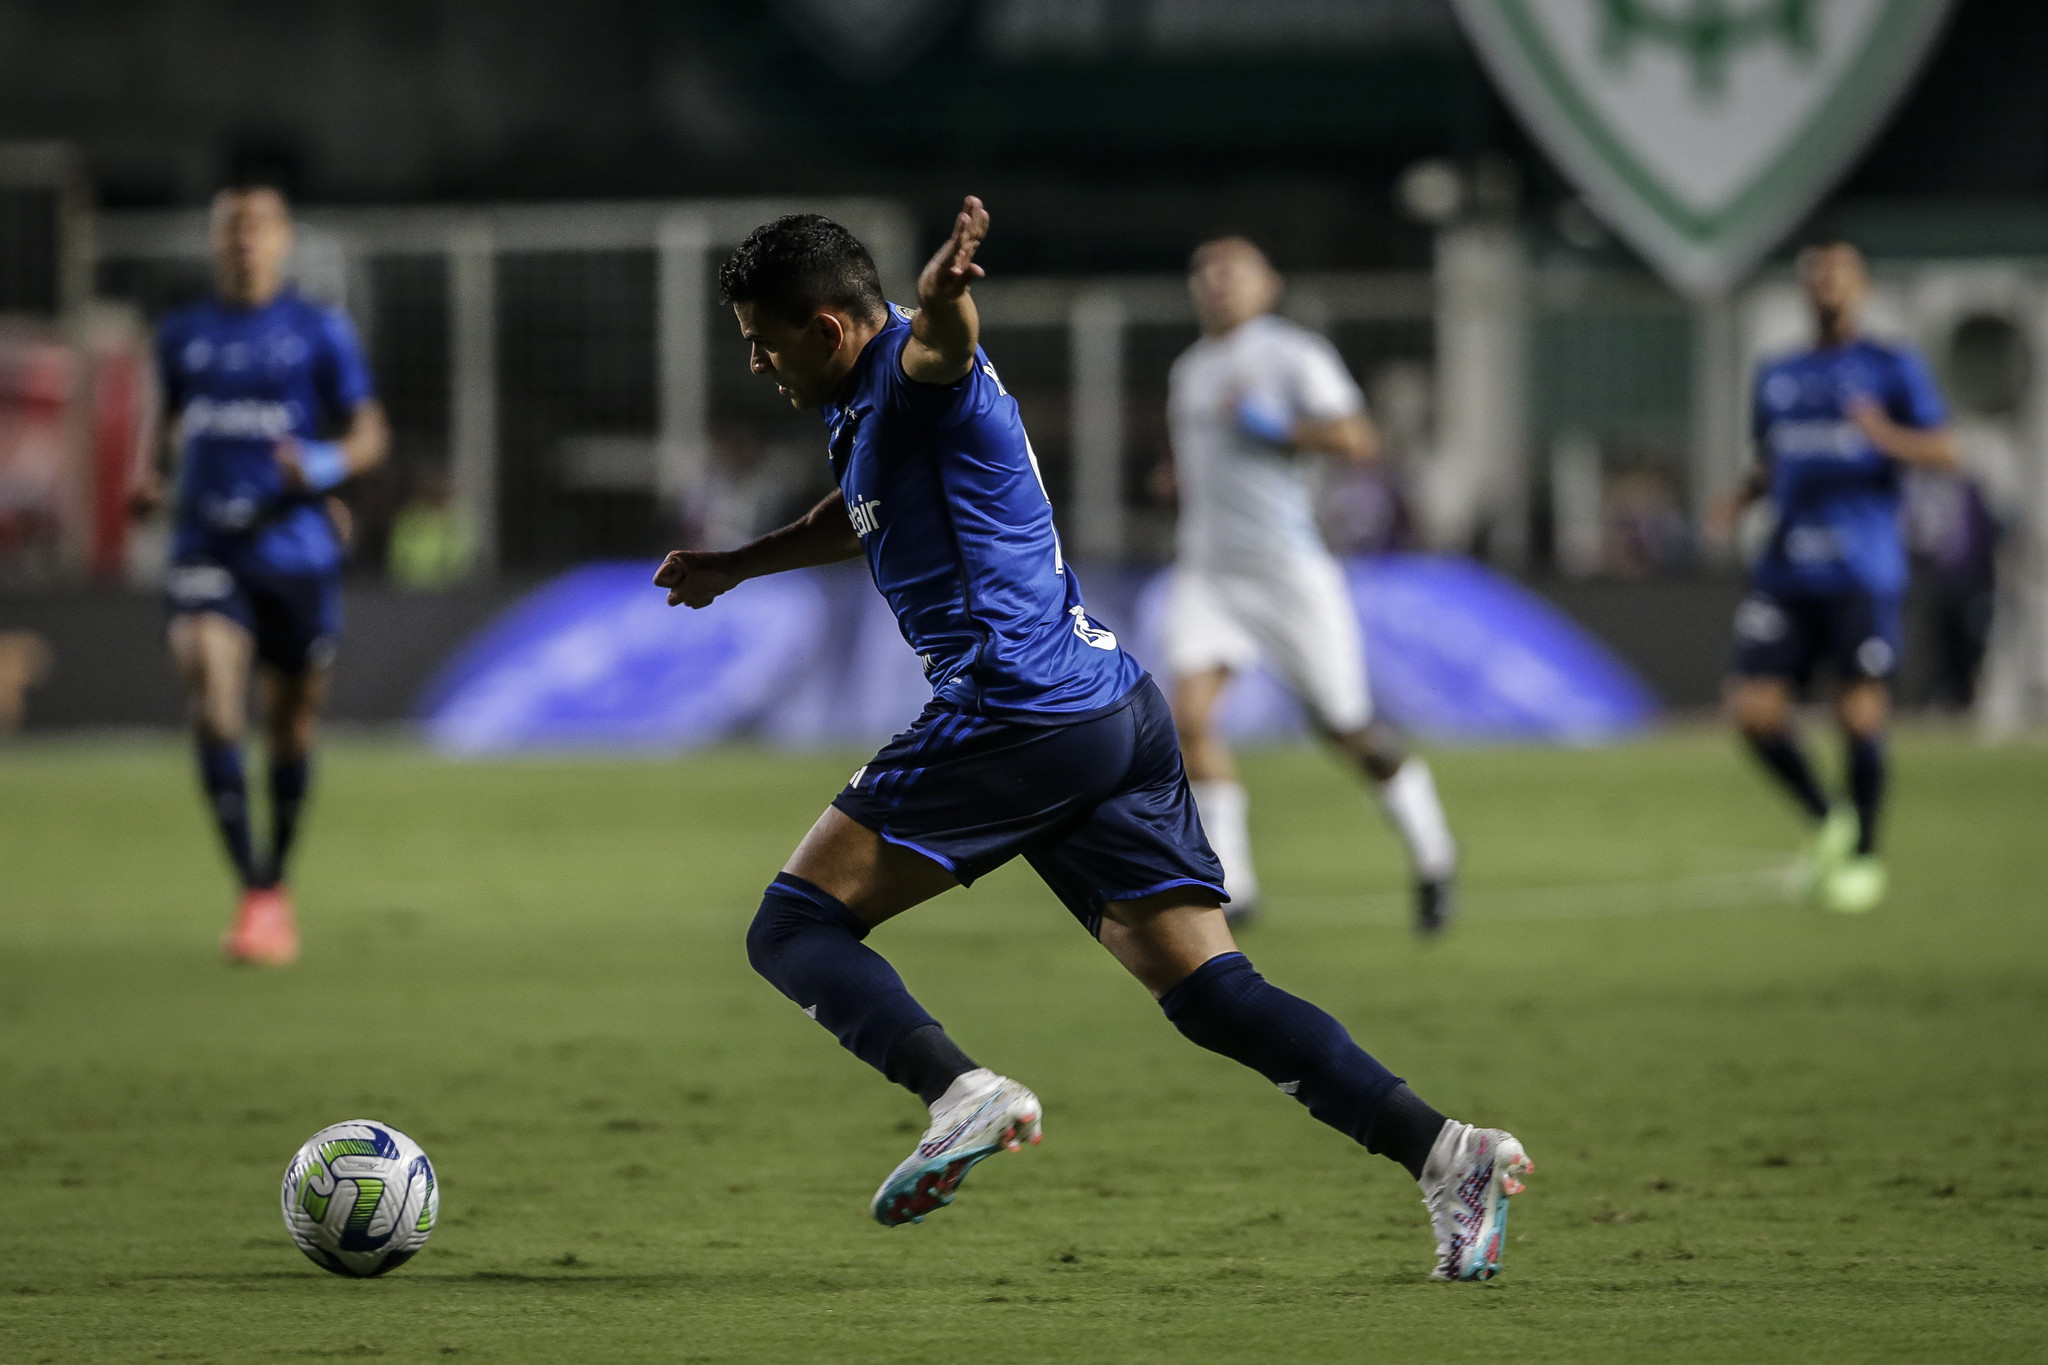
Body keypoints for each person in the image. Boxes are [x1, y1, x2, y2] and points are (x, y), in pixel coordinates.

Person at [653, 202, 1530, 1280]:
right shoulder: (864, 406)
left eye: (760, 339)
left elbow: (943, 348)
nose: (752, 361)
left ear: (829, 329)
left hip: (1011, 710)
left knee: (792, 924)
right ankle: (1449, 1155)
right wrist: (736, 563)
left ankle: (958, 1091)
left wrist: (942, 302)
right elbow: (861, 507)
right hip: (1108, 709)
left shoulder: (918, 365)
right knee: (1211, 992)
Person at [1163, 238, 1458, 934]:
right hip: (1209, 569)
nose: (1216, 283)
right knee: (1191, 718)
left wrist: (1277, 428)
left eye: (1233, 272)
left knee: (1347, 728)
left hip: (1288, 572)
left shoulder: (1292, 354)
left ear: (1268, 285)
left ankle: (1433, 848)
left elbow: (1359, 439)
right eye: (1204, 271)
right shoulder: (1189, 369)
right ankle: (1236, 885)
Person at [130, 184, 389, 964]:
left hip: (296, 552)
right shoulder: (182, 333)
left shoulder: (317, 329)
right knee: (212, 696)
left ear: (282, 240)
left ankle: (274, 878)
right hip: (209, 547)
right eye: (232, 226)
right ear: (216, 240)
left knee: (292, 724)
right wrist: (150, 478)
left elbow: (370, 432)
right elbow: (166, 433)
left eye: (259, 226)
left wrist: (321, 463)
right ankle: (255, 891)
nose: (245, 239)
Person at [1722, 240, 1956, 914]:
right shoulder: (1776, 373)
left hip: (1861, 566)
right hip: (1788, 563)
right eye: (1816, 274)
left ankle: (1865, 859)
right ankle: (1831, 817)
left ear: (1861, 287)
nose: (1826, 285)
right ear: (1805, 289)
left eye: (1838, 274)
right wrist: (1740, 498)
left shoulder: (1890, 366)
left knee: (1857, 713)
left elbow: (1945, 449)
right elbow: (1773, 461)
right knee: (1753, 710)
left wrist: (1886, 434)